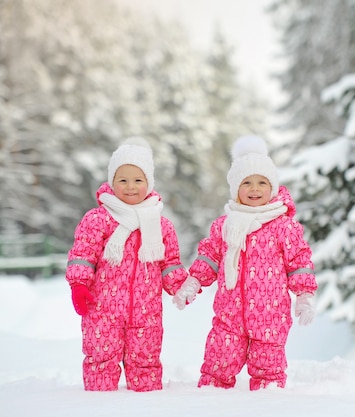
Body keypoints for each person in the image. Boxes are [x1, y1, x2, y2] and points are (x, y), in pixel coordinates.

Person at [173, 135, 317, 391]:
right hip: (229, 315)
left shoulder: (284, 227)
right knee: (217, 365)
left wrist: (304, 295)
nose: (254, 189)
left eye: (262, 182)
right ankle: (209, 404)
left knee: (268, 372)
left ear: (272, 187)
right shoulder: (225, 225)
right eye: (247, 183)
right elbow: (210, 257)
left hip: (270, 316)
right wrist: (193, 282)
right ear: (236, 189)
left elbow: (298, 261)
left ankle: (266, 405)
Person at [66, 137, 189, 392]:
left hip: (146, 310)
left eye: (138, 180)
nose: (130, 187)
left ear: (149, 183)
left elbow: (170, 263)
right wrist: (79, 284)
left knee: (145, 359)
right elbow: (83, 253)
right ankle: (99, 404)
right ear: (112, 182)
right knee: (101, 356)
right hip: (102, 308)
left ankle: (146, 405)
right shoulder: (98, 219)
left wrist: (181, 286)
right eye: (123, 180)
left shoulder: (160, 225)